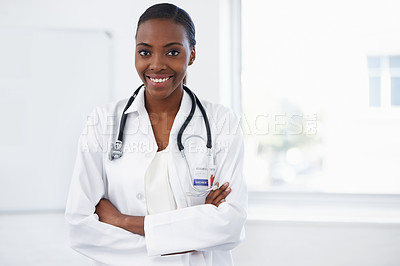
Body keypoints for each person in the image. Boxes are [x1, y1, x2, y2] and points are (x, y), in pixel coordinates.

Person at [65, 3, 247, 266]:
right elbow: (80, 228)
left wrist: (123, 221)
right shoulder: (103, 121)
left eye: (172, 52)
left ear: (192, 54)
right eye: (145, 52)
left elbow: (230, 226)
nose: (157, 64)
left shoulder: (221, 123)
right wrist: (191, 238)